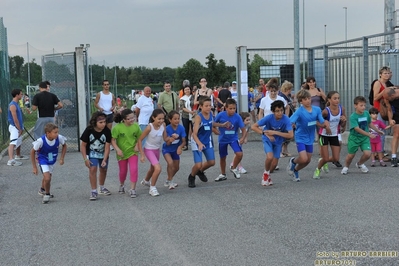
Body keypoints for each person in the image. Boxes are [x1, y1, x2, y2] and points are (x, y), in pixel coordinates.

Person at [287, 89, 329, 182]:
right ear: (301, 101)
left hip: (310, 137)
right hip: (300, 137)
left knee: (307, 160)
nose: (308, 101)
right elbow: (290, 121)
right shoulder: (299, 111)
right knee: (303, 158)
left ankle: (295, 170)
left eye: (309, 98)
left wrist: (326, 124)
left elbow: (321, 121)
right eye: (305, 99)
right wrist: (291, 125)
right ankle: (293, 161)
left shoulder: (317, 109)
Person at [251, 100, 293, 186]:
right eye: (277, 111)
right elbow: (253, 126)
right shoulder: (269, 118)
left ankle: (268, 174)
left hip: (278, 142)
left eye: (281, 110)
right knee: (269, 157)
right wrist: (264, 133)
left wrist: (275, 133)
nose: (280, 113)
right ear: (273, 111)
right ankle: (265, 174)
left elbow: (290, 135)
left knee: (274, 165)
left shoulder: (286, 119)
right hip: (267, 139)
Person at [341, 96, 384, 175]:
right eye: (361, 105)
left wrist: (378, 131)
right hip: (354, 138)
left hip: (364, 138)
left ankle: (360, 164)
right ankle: (346, 167)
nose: (363, 107)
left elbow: (369, 123)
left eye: (364, 105)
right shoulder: (353, 117)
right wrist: (369, 134)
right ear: (355, 106)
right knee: (351, 156)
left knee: (367, 154)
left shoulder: (367, 113)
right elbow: (357, 129)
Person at [313, 91, 346, 179]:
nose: (337, 100)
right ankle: (318, 169)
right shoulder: (325, 111)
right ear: (329, 100)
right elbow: (316, 121)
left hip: (334, 135)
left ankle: (323, 161)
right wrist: (325, 126)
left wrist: (344, 122)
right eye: (335, 98)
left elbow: (343, 125)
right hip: (324, 135)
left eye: (338, 98)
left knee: (335, 159)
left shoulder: (341, 109)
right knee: (326, 158)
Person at [30, 123, 67, 204]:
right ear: (48, 133)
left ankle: (42, 189)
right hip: (43, 160)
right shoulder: (41, 141)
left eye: (57, 132)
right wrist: (34, 167)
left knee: (48, 176)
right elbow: (32, 152)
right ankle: (47, 194)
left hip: (52, 159)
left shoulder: (59, 138)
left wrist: (62, 158)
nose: (57, 134)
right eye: (55, 132)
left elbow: (64, 146)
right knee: (47, 178)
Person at [80, 112, 112, 201]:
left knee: (103, 169)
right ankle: (94, 190)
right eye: (101, 122)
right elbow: (83, 145)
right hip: (92, 153)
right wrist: (85, 159)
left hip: (103, 153)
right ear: (95, 122)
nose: (103, 124)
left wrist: (104, 159)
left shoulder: (107, 131)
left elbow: (107, 147)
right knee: (93, 169)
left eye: (104, 122)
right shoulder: (89, 130)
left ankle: (101, 187)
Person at [214, 99, 247, 181]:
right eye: (230, 108)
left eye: (234, 108)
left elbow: (243, 129)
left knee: (239, 154)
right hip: (222, 139)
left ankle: (233, 167)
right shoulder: (220, 115)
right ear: (226, 108)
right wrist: (217, 130)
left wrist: (243, 138)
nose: (232, 110)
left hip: (233, 138)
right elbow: (212, 124)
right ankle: (223, 174)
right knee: (222, 157)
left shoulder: (237, 117)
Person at [111, 109, 142, 198]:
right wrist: (117, 149)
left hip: (133, 152)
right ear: (124, 119)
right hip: (122, 153)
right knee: (123, 171)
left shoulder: (136, 126)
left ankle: (132, 189)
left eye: (133, 117)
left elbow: (140, 137)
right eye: (129, 119)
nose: (132, 120)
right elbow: (112, 140)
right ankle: (122, 184)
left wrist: (137, 145)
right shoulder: (117, 128)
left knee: (134, 169)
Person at [188, 97, 216, 188]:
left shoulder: (211, 113)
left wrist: (222, 125)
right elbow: (194, 134)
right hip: (197, 141)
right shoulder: (198, 117)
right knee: (198, 164)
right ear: (200, 106)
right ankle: (191, 176)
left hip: (207, 141)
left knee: (211, 162)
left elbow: (211, 124)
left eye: (210, 105)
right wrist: (199, 143)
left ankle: (200, 172)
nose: (208, 107)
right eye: (206, 106)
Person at [138, 109, 166, 196]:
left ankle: (146, 181)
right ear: (153, 118)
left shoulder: (163, 125)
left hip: (157, 150)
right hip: (149, 149)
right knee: (158, 168)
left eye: (162, 119)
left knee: (153, 168)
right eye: (159, 119)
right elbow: (139, 140)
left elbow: (166, 139)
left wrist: (173, 138)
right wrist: (142, 154)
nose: (161, 121)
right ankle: (152, 188)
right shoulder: (149, 127)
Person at [162, 111, 186, 189]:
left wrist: (180, 147)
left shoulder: (181, 128)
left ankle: (168, 180)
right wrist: (170, 140)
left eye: (178, 119)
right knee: (170, 163)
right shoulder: (167, 128)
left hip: (175, 150)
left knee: (176, 168)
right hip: (167, 149)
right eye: (175, 119)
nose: (177, 120)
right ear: (170, 120)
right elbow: (167, 142)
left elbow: (184, 141)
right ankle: (171, 181)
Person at [7, 89, 26, 166]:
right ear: (17, 95)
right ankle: (11, 160)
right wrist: (19, 128)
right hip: (14, 127)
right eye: (21, 94)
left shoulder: (16, 104)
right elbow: (15, 119)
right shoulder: (12, 105)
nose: (22, 96)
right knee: (13, 143)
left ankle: (17, 156)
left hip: (17, 127)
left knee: (18, 141)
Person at [279, 81, 296, 157]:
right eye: (290, 88)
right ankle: (280, 151)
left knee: (288, 135)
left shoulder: (287, 96)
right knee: (284, 134)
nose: (290, 90)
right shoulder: (281, 96)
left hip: (290, 117)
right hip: (285, 117)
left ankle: (285, 150)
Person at [180, 85, 195, 151]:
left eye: (188, 89)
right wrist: (190, 112)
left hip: (193, 116)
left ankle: (195, 143)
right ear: (184, 91)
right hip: (185, 116)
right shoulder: (182, 98)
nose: (187, 91)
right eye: (185, 90)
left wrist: (193, 112)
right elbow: (182, 107)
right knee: (186, 130)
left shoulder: (193, 97)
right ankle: (185, 144)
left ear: (190, 90)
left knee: (194, 129)